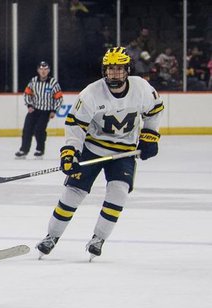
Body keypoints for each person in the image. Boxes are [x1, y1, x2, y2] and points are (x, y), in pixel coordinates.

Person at [36, 47, 164, 260]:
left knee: (119, 192)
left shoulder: (141, 88)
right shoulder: (91, 93)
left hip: (124, 152)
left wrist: (150, 135)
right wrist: (70, 153)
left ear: (127, 70)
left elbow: (155, 110)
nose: (114, 73)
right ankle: (52, 236)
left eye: (119, 69)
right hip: (93, 148)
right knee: (73, 192)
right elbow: (75, 125)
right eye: (110, 69)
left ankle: (99, 238)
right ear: (104, 70)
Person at [15, 61, 63, 158]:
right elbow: (27, 93)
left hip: (46, 111)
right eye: (41, 69)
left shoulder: (53, 82)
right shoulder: (33, 81)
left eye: (45, 69)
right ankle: (24, 150)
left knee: (39, 130)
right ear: (38, 70)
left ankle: (40, 149)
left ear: (49, 70)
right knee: (27, 129)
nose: (43, 71)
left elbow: (59, 98)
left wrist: (54, 110)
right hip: (34, 109)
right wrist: (29, 105)